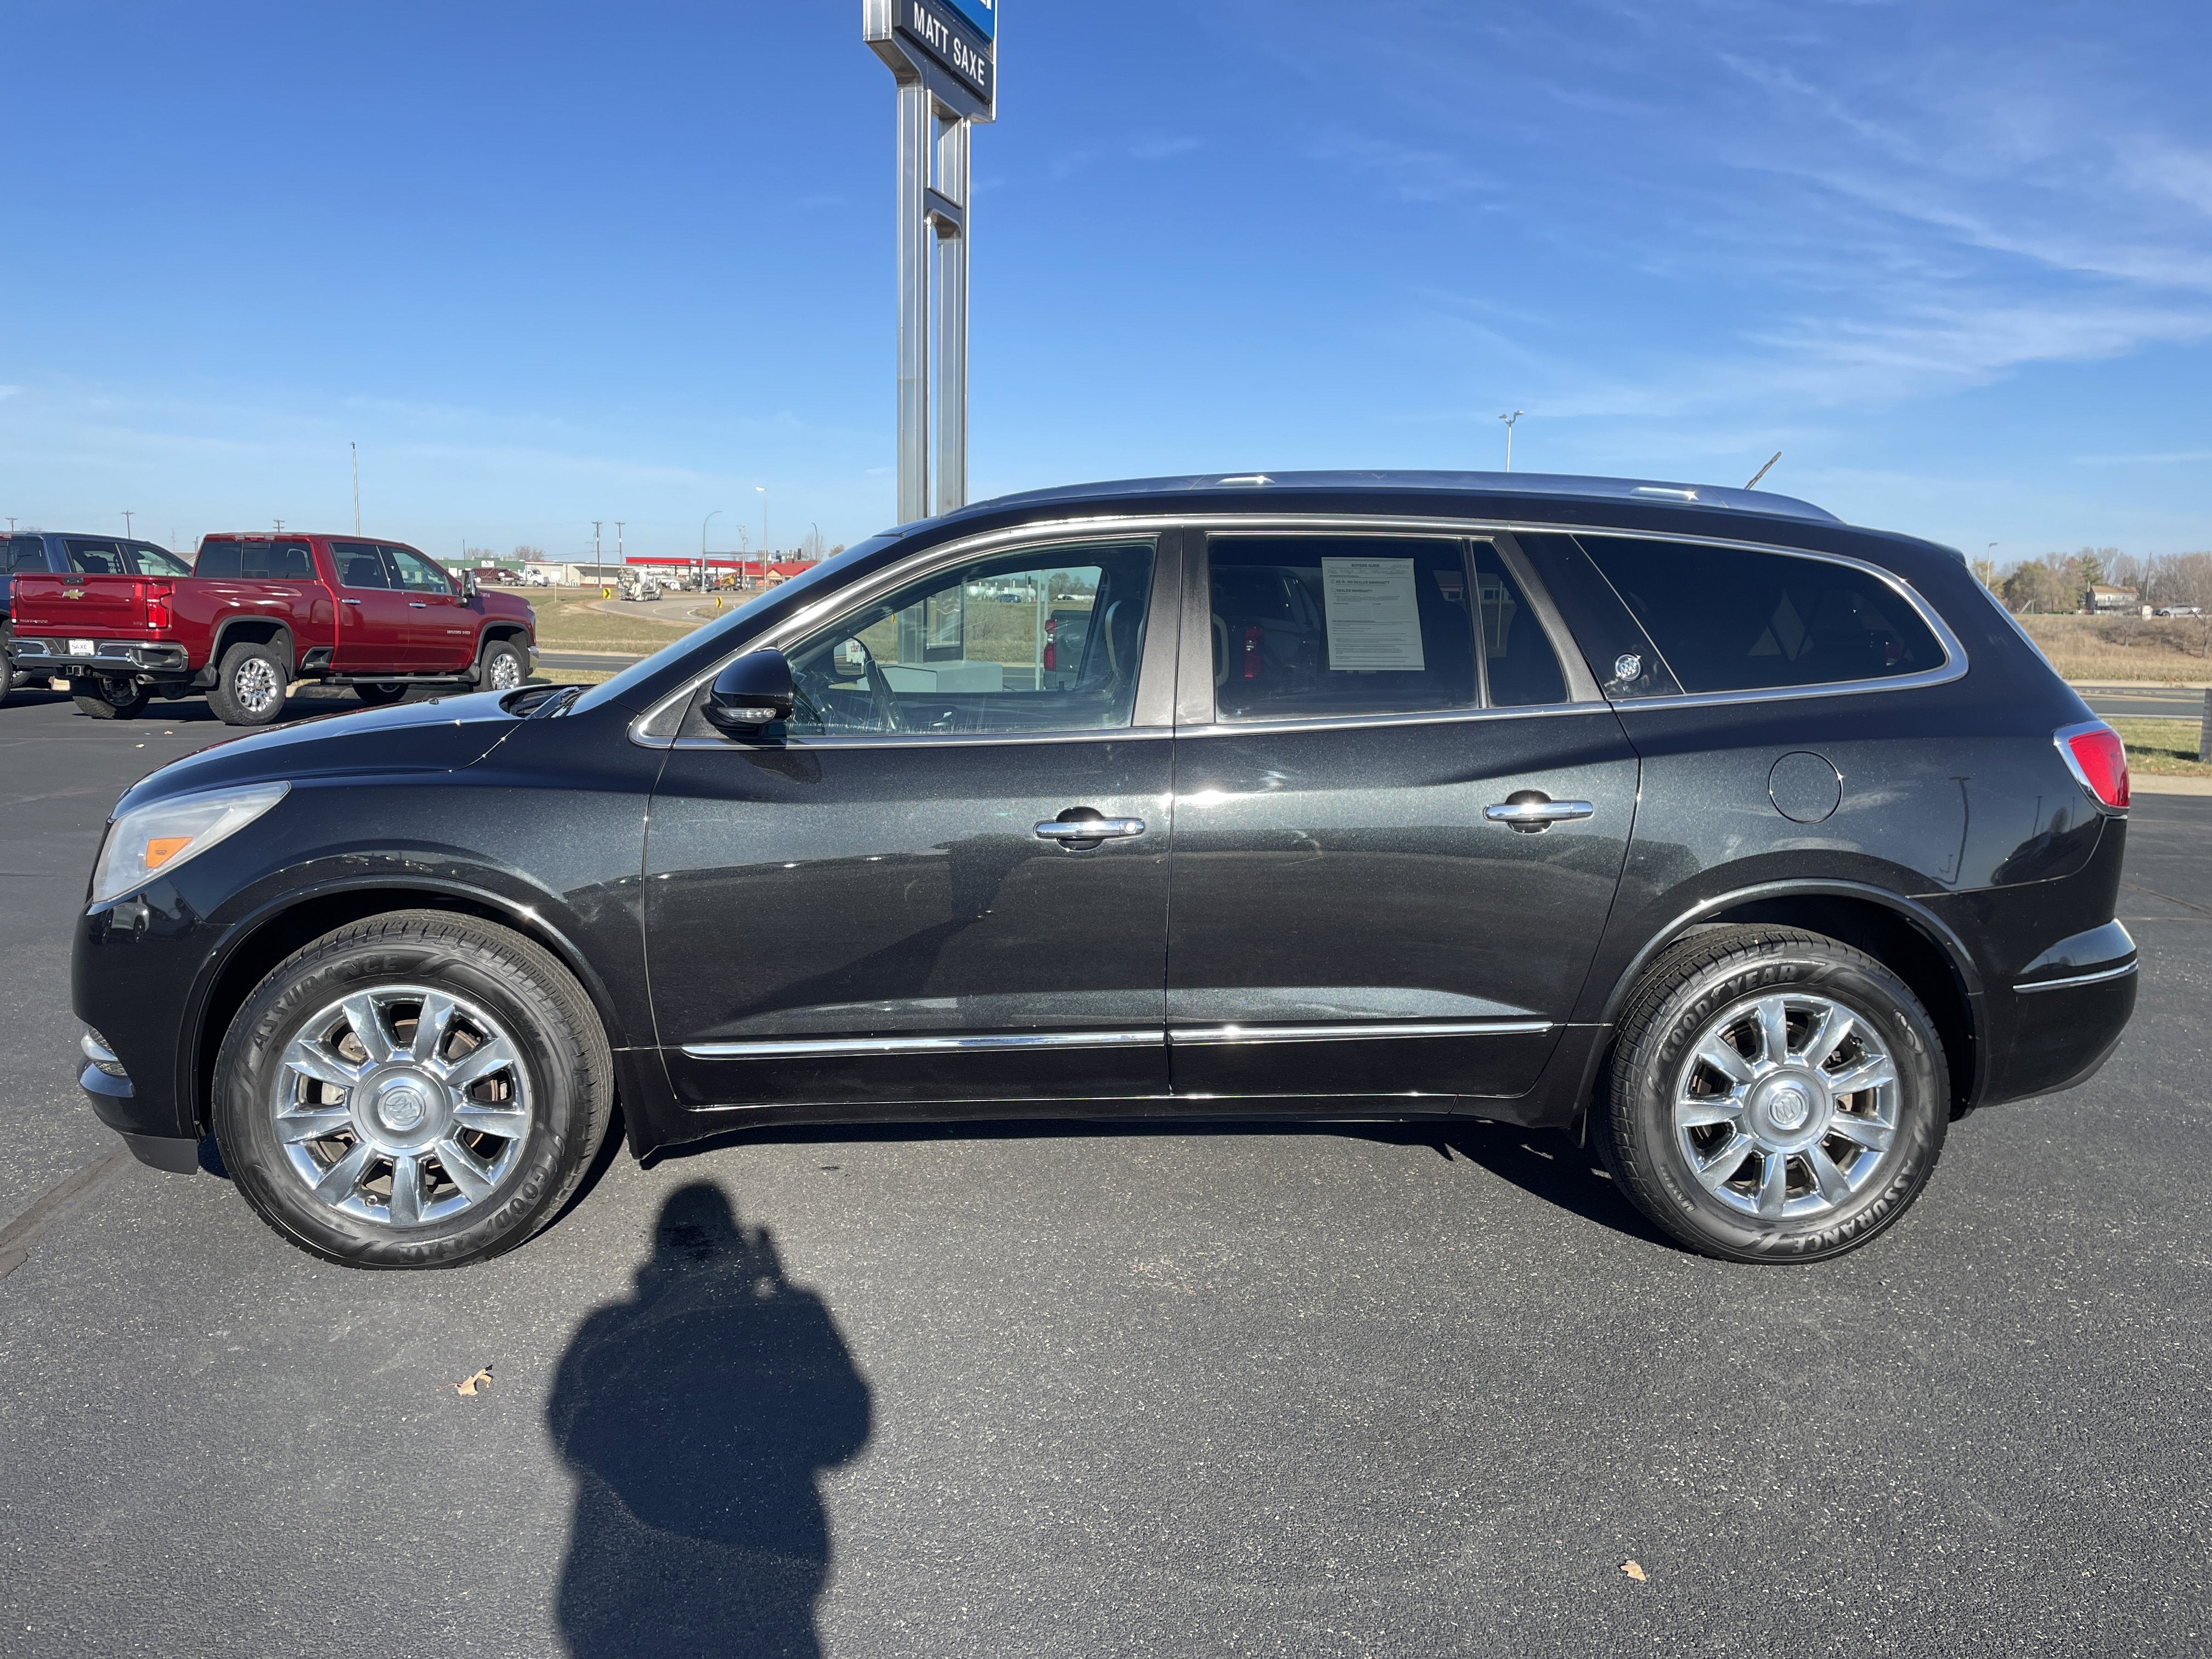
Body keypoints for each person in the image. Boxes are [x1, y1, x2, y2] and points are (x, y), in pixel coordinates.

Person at [548, 1183, 872, 1657]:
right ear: (737, 1250)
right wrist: (783, 1292)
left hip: (642, 1576)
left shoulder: (610, 1327)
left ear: (660, 1255)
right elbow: (845, 1433)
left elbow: (571, 1430)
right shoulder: (784, 1318)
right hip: (772, 1558)